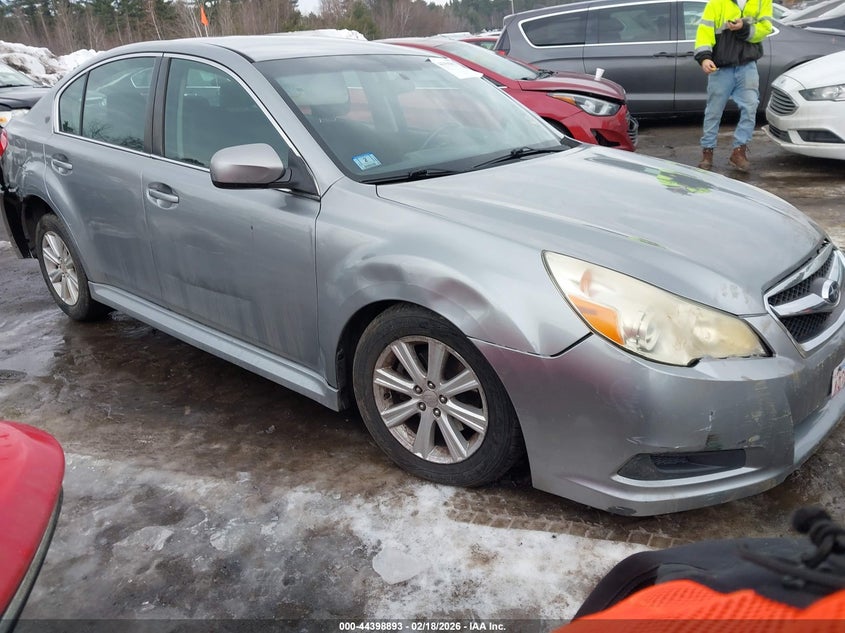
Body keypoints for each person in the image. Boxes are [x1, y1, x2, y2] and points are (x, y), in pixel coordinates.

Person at [693, 0, 773, 172]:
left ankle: (739, 152)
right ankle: (707, 152)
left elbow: (765, 29)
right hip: (721, 68)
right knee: (714, 111)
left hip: (747, 66)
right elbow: (704, 31)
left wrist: (743, 27)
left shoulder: (762, 2)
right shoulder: (716, 3)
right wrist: (704, 57)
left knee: (750, 106)